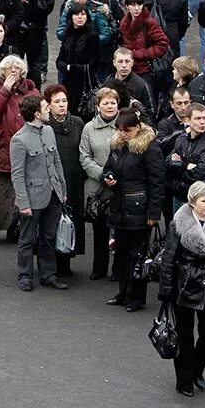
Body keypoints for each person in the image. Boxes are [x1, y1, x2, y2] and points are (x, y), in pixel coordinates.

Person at [158, 181, 205, 397]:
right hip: (185, 284)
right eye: (204, 201)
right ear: (192, 203)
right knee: (183, 335)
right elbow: (169, 258)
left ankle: (197, 370)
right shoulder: (178, 225)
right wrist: (166, 289)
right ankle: (184, 380)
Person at [102, 107, 165, 312]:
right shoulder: (118, 145)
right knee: (120, 253)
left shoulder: (150, 149)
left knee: (137, 255)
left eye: (127, 130)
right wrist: (108, 177)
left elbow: (157, 183)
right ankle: (123, 292)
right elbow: (108, 167)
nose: (123, 133)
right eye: (120, 130)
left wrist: (153, 213)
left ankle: (136, 297)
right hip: (120, 206)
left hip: (139, 207)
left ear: (138, 128)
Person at [0, 55, 38, 237]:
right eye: (10, 67)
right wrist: (5, 90)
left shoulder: (31, 91)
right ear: (2, 71)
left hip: (26, 149)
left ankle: (16, 229)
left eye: (17, 68)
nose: (14, 71)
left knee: (21, 193)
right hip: (2, 149)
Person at [43, 84, 85, 277]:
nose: (62, 105)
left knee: (70, 220)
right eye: (57, 101)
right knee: (50, 222)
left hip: (73, 180)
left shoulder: (77, 123)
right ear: (48, 105)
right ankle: (48, 263)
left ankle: (66, 260)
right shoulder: (44, 126)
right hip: (51, 181)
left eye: (64, 101)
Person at [79, 87, 121, 279]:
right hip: (98, 186)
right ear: (98, 106)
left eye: (113, 102)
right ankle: (99, 268)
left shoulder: (124, 125)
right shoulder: (88, 128)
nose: (110, 106)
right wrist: (101, 174)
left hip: (120, 185)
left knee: (120, 230)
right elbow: (84, 156)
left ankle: (118, 270)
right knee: (100, 230)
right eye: (105, 103)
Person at [9, 0, 55, 84]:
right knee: (16, 60)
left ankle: (35, 83)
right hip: (18, 27)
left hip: (35, 27)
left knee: (35, 62)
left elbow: (47, 6)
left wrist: (30, 2)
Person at [56, 2, 100, 118]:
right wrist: (65, 67)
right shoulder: (67, 34)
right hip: (67, 82)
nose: (80, 17)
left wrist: (72, 68)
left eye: (83, 14)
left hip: (85, 83)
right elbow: (60, 59)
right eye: (76, 14)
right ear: (71, 17)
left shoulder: (92, 35)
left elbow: (94, 64)